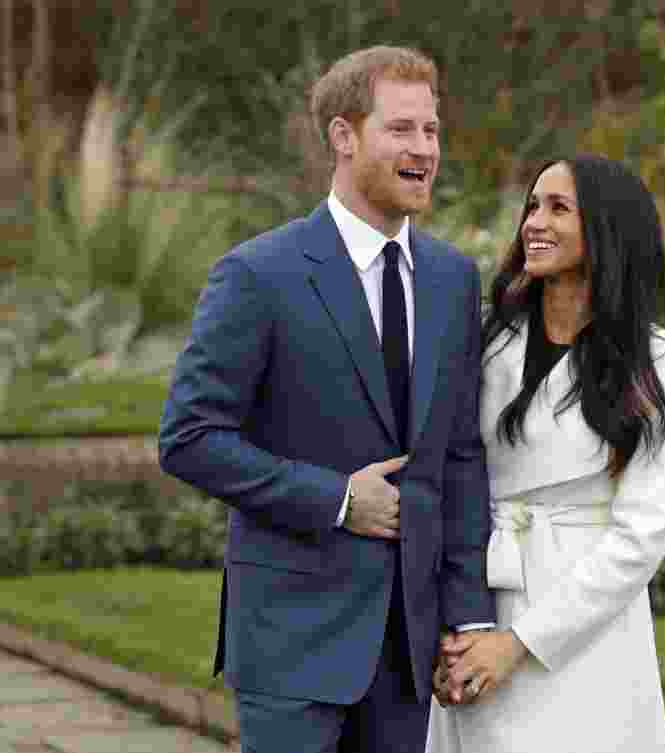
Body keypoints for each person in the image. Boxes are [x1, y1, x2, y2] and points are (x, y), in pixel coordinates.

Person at [158, 46, 495, 753]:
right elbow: (189, 436)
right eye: (401, 129)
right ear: (344, 136)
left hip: (408, 647)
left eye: (431, 130)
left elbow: (460, 457)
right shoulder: (259, 274)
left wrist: (466, 613)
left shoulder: (453, 279)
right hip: (292, 642)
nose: (425, 149)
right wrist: (338, 499)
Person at [426, 155, 665, 753]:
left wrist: (519, 643)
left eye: (558, 208)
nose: (533, 222)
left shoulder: (658, 362)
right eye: (532, 205)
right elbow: (446, 477)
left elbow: (642, 535)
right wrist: (453, 623)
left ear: (605, 227)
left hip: (587, 629)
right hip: (477, 604)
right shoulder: (483, 339)